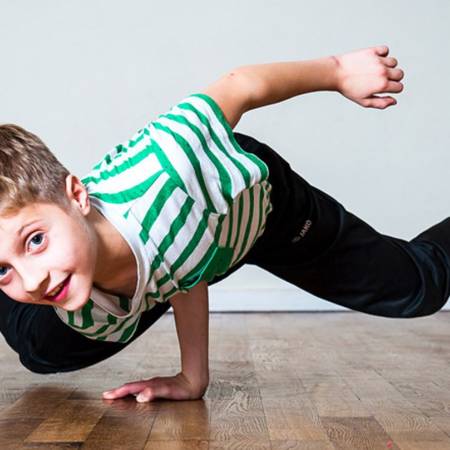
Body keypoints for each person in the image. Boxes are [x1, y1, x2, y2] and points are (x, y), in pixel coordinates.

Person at [0, 45, 449, 404]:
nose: (34, 279)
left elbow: (240, 86)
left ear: (78, 196)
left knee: (418, 289)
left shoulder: (168, 169)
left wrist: (337, 72)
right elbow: (182, 265)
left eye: (35, 240)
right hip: (192, 242)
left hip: (264, 210)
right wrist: (193, 379)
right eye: (4, 268)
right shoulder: (74, 293)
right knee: (42, 349)